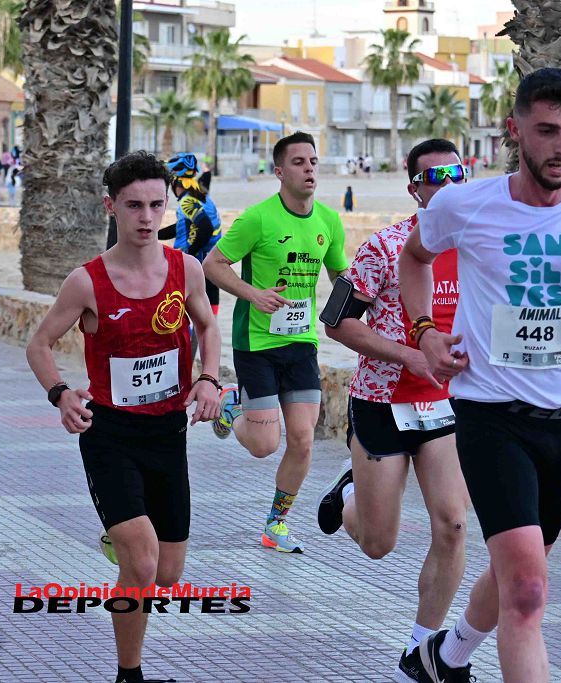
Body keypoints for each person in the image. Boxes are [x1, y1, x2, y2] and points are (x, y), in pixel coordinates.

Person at [398, 68, 561, 683]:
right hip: (490, 415)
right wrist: (426, 331)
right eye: (548, 131)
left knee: (518, 573)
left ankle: (443, 657)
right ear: (515, 131)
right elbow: (414, 258)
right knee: (529, 590)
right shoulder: (464, 203)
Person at [26, 150, 220, 683]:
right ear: (111, 207)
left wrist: (209, 377)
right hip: (109, 434)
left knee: (168, 577)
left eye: (157, 205)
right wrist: (61, 393)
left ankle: (125, 536)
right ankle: (128, 676)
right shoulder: (87, 282)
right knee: (142, 563)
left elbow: (207, 326)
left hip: (167, 434)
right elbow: (40, 344)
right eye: (134, 205)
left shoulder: (187, 269)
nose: (146, 217)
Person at [317, 139, 471, 682]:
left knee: (453, 524)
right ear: (415, 190)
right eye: (434, 178)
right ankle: (353, 491)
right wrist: (409, 352)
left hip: (444, 408)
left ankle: (421, 649)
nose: (447, 184)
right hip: (382, 402)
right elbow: (334, 321)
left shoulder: (481, 248)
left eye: (457, 173)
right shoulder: (384, 247)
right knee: (380, 545)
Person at [203, 131, 349, 553]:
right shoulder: (258, 219)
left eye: (314, 162)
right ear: (279, 171)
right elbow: (213, 264)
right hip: (257, 343)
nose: (309, 169)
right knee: (265, 446)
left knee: (303, 439)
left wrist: (364, 306)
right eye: (299, 162)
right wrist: (253, 294)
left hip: (301, 341)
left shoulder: (328, 220)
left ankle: (276, 524)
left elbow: (339, 276)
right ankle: (234, 402)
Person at [157, 152, 222, 330]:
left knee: (187, 310)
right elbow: (183, 226)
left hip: (197, 261)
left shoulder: (187, 202)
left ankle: (191, 346)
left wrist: (190, 254)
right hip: (211, 261)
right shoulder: (202, 196)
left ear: (175, 182)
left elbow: (205, 228)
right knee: (208, 313)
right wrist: (155, 235)